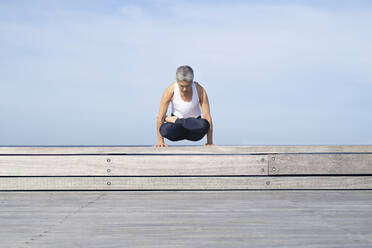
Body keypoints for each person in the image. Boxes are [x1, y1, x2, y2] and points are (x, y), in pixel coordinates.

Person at [153, 65, 214, 147]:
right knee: (164, 130)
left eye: (187, 86)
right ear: (177, 82)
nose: (185, 89)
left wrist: (209, 142)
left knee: (205, 124)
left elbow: (207, 117)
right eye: (182, 86)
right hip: (177, 129)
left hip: (194, 130)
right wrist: (160, 142)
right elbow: (160, 117)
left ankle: (178, 121)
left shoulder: (200, 90)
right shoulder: (170, 90)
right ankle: (178, 122)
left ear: (192, 81)